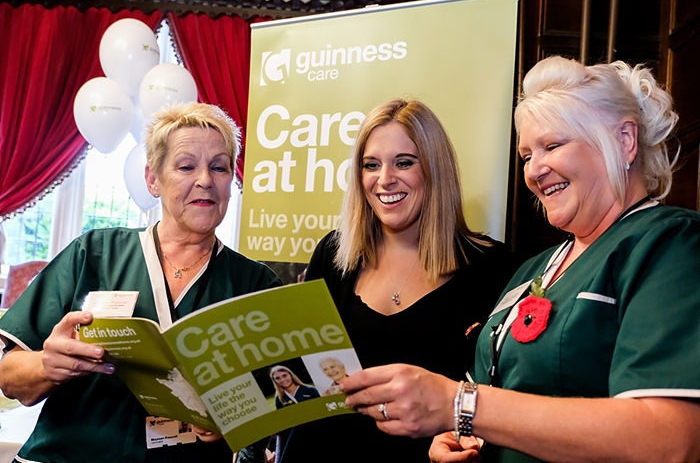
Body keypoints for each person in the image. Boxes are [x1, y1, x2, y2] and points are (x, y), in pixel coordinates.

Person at [340, 56, 700, 463]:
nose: (534, 171)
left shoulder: (668, 244)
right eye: (527, 155)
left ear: (624, 140)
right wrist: (462, 437)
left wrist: (460, 406)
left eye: (552, 146)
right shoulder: (532, 270)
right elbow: (491, 401)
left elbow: (672, 440)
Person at [0, 102, 282, 463]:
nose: (205, 180)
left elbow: (279, 401)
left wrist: (235, 420)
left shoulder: (256, 285)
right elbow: (10, 377)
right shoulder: (96, 253)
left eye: (219, 167)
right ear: (153, 179)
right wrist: (46, 366)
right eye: (186, 166)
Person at [275, 99, 518, 463]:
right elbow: (305, 375)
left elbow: (497, 398)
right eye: (371, 165)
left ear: (436, 170)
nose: (384, 179)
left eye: (404, 162)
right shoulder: (334, 253)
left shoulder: (493, 268)